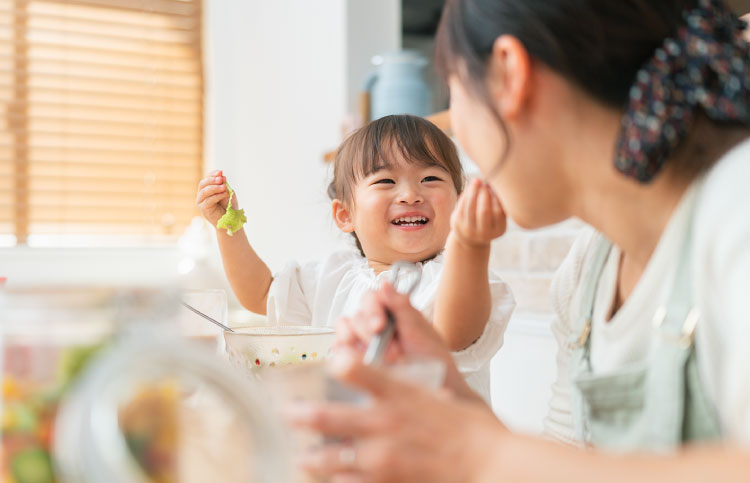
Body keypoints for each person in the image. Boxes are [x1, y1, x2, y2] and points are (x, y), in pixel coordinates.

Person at [284, 0, 750, 480]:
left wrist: (479, 451)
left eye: (454, 91)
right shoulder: (586, 274)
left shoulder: (738, 206)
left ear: (509, 73)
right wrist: (459, 414)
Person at [196, 114, 515, 400]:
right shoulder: (330, 277)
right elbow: (261, 294)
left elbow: (454, 334)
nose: (410, 194)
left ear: (459, 202)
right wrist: (229, 229)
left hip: (434, 460)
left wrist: (471, 245)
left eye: (430, 178)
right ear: (345, 214)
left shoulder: (458, 280)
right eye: (386, 181)